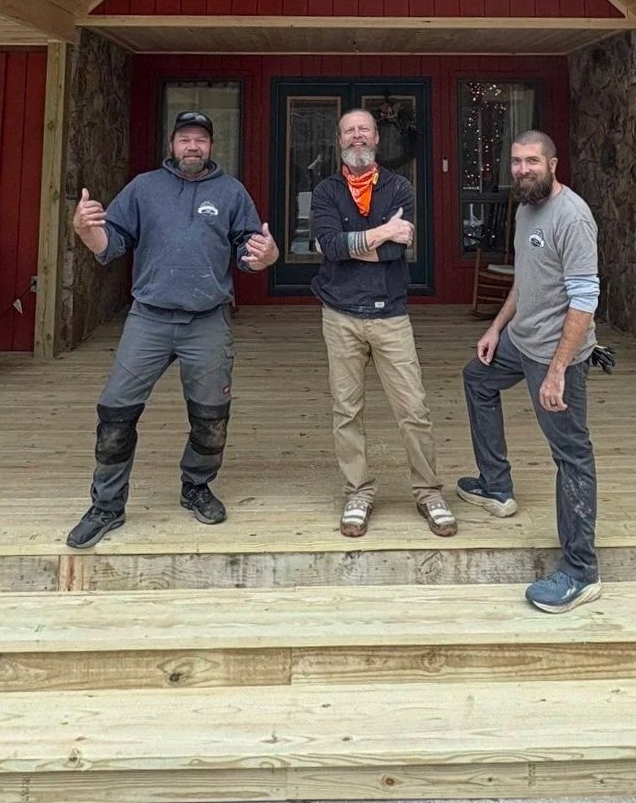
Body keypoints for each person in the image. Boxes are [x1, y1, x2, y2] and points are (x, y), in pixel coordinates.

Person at [64, 110, 279, 550]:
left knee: (211, 418)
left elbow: (249, 253)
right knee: (116, 415)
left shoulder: (231, 192)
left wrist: (267, 255)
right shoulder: (144, 188)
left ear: (212, 146)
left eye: (201, 139)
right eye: (185, 139)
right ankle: (107, 505)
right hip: (149, 319)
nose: (193, 146)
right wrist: (84, 231)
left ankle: (196, 486)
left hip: (208, 320)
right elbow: (112, 244)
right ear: (172, 144)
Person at [457, 129, 602, 612]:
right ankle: (496, 486)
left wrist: (559, 369)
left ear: (553, 163)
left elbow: (584, 299)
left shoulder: (572, 217)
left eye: (532, 161)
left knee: (571, 455)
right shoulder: (525, 209)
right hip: (521, 342)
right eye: (517, 161)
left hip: (557, 354)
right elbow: (526, 278)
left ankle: (581, 571)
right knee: (477, 379)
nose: (522, 169)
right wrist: (497, 328)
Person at [309, 108, 457, 540]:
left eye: (364, 130)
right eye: (348, 131)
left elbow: (396, 253)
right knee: (346, 410)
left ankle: (429, 492)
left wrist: (362, 243)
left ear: (376, 137)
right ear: (339, 140)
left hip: (391, 315)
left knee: (414, 409)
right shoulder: (325, 191)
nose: (357, 136)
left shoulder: (399, 187)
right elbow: (331, 247)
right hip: (339, 315)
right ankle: (358, 490)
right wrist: (380, 233)